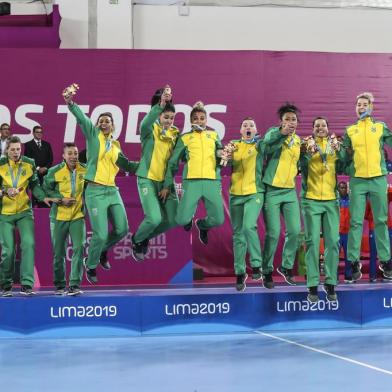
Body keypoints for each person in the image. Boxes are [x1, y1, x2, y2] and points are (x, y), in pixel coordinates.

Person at [63, 84, 138, 284]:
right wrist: (71, 102)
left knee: (122, 229)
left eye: (108, 121)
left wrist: (149, 166)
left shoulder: (116, 146)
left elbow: (127, 164)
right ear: (97, 124)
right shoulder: (92, 134)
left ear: (113, 126)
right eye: (101, 120)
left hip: (112, 190)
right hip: (95, 191)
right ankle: (91, 265)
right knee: (100, 233)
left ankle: (103, 250)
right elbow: (81, 118)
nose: (104, 123)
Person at [342, 92, 392, 281]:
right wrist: (348, 166)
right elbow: (345, 156)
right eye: (358, 105)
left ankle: (386, 262)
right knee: (355, 221)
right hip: (358, 180)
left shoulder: (380, 127)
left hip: (378, 178)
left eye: (364, 104)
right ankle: (354, 263)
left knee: (380, 220)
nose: (361, 107)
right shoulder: (350, 131)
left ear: (371, 107)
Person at [0, 136, 55, 296]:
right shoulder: (1, 164)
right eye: (12, 150)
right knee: (8, 251)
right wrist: (4, 191)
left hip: (24, 212)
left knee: (29, 245)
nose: (16, 152)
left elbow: (34, 185)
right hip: (5, 214)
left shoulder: (29, 163)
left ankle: (26, 284)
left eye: (18, 149)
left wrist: (42, 196)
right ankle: (6, 284)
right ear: (6, 150)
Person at [163, 101, 224, 245]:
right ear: (190, 121)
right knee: (182, 220)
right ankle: (188, 218)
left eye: (202, 118)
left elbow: (220, 153)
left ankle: (202, 225)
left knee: (218, 220)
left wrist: (222, 154)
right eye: (195, 118)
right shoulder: (185, 138)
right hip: (191, 182)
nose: (199, 121)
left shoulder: (214, 135)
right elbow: (173, 162)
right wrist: (167, 183)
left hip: (212, 181)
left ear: (206, 120)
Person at [131, 86, 179, 261]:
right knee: (154, 219)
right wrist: (161, 104)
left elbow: (175, 163)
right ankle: (136, 239)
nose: (169, 121)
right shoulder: (149, 130)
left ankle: (144, 238)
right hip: (147, 179)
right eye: (166, 117)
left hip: (164, 182)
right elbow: (145, 123)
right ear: (159, 115)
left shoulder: (176, 134)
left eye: (172, 118)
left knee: (173, 220)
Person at [300, 117, 342, 302]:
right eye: (317, 126)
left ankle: (331, 282)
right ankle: (312, 285)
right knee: (312, 243)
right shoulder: (306, 146)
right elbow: (299, 164)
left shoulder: (334, 147)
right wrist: (305, 153)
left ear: (328, 128)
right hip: (311, 200)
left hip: (331, 201)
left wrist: (344, 152)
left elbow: (345, 165)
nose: (320, 128)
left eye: (323, 125)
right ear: (312, 129)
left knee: (333, 242)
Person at [261, 103, 301, 289]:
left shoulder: (300, 141)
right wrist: (281, 132)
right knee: (274, 233)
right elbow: (266, 144)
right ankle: (266, 269)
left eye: (293, 120)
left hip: (290, 192)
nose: (290, 122)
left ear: (297, 123)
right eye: (287, 119)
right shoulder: (274, 134)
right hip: (272, 191)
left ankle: (286, 267)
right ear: (281, 122)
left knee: (294, 231)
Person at [43, 143, 87, 296]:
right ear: (63, 156)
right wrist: (61, 199)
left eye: (75, 153)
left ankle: (74, 284)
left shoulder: (85, 169)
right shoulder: (54, 171)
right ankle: (60, 285)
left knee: (79, 248)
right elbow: (46, 189)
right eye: (70, 153)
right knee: (59, 252)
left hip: (77, 216)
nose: (74, 156)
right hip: (58, 217)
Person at [228, 117, 264, 292]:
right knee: (238, 235)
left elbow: (273, 140)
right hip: (235, 194)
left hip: (254, 192)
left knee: (249, 226)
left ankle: (257, 265)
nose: (248, 127)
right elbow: (223, 161)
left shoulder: (260, 145)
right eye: (245, 125)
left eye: (251, 125)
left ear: (256, 130)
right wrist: (225, 155)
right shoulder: (233, 145)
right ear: (240, 131)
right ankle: (240, 272)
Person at [24, 125, 54, 207]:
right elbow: (28, 159)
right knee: (36, 191)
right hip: (35, 174)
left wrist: (46, 168)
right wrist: (38, 168)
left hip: (46, 174)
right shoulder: (28, 145)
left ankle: (46, 207)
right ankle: (36, 209)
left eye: (41, 132)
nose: (39, 134)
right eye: (37, 132)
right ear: (33, 133)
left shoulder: (47, 144)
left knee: (47, 191)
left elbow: (50, 159)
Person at [337, 181, 352, 283]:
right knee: (334, 257)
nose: (343, 189)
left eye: (345, 187)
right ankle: (334, 277)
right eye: (341, 188)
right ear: (338, 189)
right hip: (337, 233)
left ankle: (348, 276)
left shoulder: (351, 200)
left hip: (347, 233)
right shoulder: (335, 201)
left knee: (348, 257)